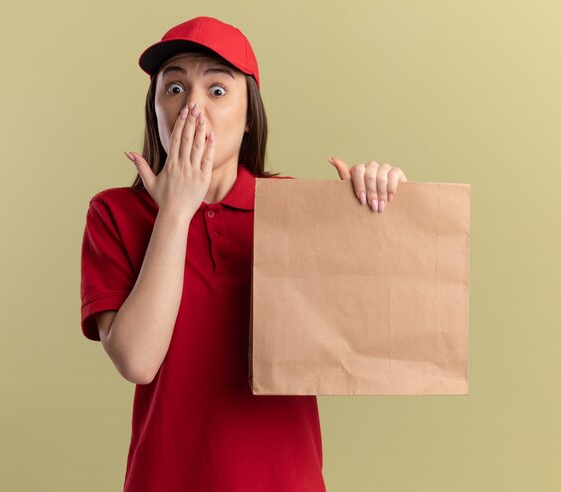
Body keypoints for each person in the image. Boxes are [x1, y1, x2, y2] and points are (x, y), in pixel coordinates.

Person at [80, 15, 407, 492]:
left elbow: (370, 336)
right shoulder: (114, 212)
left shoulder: (295, 208)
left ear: (250, 115)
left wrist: (372, 216)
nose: (193, 107)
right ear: (154, 111)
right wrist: (175, 211)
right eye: (174, 89)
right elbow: (137, 360)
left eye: (217, 90)